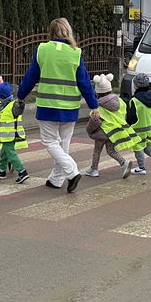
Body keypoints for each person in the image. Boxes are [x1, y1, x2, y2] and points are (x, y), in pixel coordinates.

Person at [17, 17, 99, 193]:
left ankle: (72, 171)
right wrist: (94, 105)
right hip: (70, 108)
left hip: (48, 106)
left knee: (50, 142)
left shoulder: (43, 49)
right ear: (68, 31)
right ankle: (56, 179)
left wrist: (21, 96)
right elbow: (84, 82)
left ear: (51, 31)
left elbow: (31, 76)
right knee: (63, 143)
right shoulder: (75, 52)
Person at [84, 73, 134, 179]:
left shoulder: (98, 106)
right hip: (114, 132)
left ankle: (94, 169)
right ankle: (124, 163)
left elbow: (95, 120)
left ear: (97, 92)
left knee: (97, 150)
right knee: (111, 150)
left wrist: (89, 129)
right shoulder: (120, 102)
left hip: (102, 132)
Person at [0, 81, 30, 184]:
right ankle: (1, 170)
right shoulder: (5, 105)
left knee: (11, 154)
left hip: (10, 135)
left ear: (2, 97)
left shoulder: (12, 105)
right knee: (4, 153)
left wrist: (21, 103)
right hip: (7, 135)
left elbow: (19, 110)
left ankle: (22, 171)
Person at [125, 73, 151, 174]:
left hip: (139, 128)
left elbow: (132, 117)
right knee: (145, 144)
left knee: (138, 146)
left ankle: (141, 167)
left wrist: (128, 125)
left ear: (136, 86)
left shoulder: (135, 100)